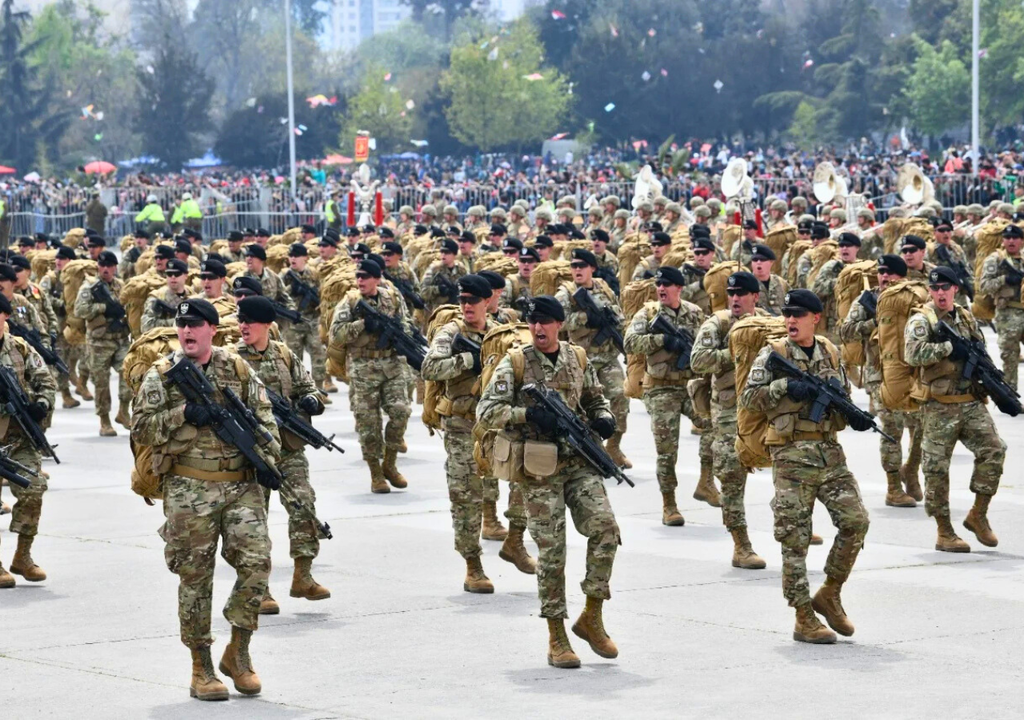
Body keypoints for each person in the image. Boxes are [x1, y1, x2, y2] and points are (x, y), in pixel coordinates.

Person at [131, 299, 279, 701]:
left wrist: (268, 457)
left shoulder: (237, 368)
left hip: (240, 485)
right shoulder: (161, 375)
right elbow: (142, 428)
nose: (187, 331)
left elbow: (264, 417)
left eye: (196, 325)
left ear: (213, 329)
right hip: (188, 489)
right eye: (182, 325)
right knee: (195, 578)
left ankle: (239, 652)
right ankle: (201, 666)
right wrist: (183, 414)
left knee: (257, 565)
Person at [477, 295, 620, 670]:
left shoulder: (578, 358)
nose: (539, 328)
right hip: (539, 468)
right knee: (552, 551)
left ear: (560, 325)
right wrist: (528, 414)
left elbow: (595, 398)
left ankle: (592, 615)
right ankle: (556, 635)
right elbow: (487, 410)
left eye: (546, 322)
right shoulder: (516, 362)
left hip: (579, 461)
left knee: (606, 530)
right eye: (533, 322)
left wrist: (603, 418)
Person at [740, 288, 870, 644]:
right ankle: (803, 616)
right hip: (791, 455)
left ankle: (830, 591)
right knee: (794, 538)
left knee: (856, 521)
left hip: (829, 453)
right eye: (787, 314)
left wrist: (853, 414)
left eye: (799, 314)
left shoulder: (829, 350)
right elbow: (748, 398)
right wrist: (785, 386)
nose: (791, 320)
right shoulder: (773, 354)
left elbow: (842, 394)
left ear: (816, 317)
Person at [234, 295, 330, 615]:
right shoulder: (232, 359)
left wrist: (312, 401)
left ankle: (302, 576)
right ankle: (259, 588)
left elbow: (307, 388)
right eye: (241, 320)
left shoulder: (284, 355)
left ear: (266, 325)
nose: (243, 326)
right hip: (251, 450)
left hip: (287, 447)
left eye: (250, 321)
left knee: (304, 504)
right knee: (254, 520)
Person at [904, 267, 1006, 553]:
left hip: (970, 401)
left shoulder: (964, 315)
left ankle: (978, 513)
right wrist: (948, 347)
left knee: (994, 450)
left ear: (955, 290)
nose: (940, 293)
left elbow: (980, 348)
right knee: (936, 469)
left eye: (945, 288)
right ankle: (944, 531)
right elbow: (911, 354)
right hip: (939, 407)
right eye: (935, 289)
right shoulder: (921, 320)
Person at [421, 275, 505, 593]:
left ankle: (509, 535)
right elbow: (429, 367)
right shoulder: (451, 331)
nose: (467, 306)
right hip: (459, 426)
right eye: (463, 300)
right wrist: (467, 361)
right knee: (465, 496)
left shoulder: (500, 333)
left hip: (495, 424)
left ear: (488, 301)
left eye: (473, 301)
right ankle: (473, 565)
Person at [691, 272, 770, 568]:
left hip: (762, 408)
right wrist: (735, 353)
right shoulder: (718, 323)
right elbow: (698, 360)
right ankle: (741, 545)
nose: (735, 298)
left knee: (790, 466)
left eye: (741, 293)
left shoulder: (766, 323)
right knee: (732, 478)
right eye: (731, 293)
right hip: (727, 413)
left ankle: (795, 521)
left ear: (755, 297)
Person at [623, 266, 711, 525]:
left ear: (679, 288)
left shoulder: (694, 313)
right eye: (659, 285)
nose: (661, 289)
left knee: (715, 427)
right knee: (666, 450)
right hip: (660, 388)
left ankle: (706, 481)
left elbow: (705, 343)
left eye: (667, 285)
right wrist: (661, 340)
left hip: (689, 386)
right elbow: (629, 342)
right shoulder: (648, 314)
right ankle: (669, 504)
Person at [838, 254, 920, 507]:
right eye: (881, 272)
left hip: (911, 372)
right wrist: (877, 321)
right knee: (892, 429)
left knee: (921, 426)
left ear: (902, 276)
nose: (884, 276)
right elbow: (846, 330)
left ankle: (912, 469)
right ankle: (893, 487)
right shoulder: (868, 299)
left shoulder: (913, 297)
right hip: (879, 374)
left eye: (890, 272)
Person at [329, 259, 412, 493]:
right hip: (363, 367)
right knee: (368, 423)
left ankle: (390, 463)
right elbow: (336, 334)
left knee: (400, 412)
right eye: (358, 276)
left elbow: (406, 325)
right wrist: (363, 324)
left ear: (377, 278)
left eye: (366, 277)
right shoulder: (350, 303)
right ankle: (376, 473)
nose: (360, 280)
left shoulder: (393, 298)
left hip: (391, 364)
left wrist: (397, 332)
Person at [0, 293, 57, 590]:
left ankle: (22, 555)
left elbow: (46, 381)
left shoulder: (20, 348)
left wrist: (42, 405)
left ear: (5, 317)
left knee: (34, 488)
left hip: (18, 438)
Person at [555, 249, 631, 468]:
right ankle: (586, 449)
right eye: (574, 266)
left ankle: (613, 446)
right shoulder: (566, 293)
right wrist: (586, 318)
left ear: (592, 269)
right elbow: (559, 321)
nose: (577, 270)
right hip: (578, 360)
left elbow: (619, 314)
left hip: (607, 358)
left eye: (582, 266)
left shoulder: (603, 288)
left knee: (620, 397)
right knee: (578, 405)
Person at [74, 250, 132, 436]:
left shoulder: (121, 286)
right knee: (101, 383)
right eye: (102, 266)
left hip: (120, 339)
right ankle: (104, 421)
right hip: (98, 343)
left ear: (115, 267)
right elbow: (80, 310)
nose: (105, 269)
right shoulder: (89, 287)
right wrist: (105, 308)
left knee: (129, 373)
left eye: (109, 266)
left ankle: (123, 411)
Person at [978, 224, 1024, 390]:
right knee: (1009, 356)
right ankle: (1012, 395)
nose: (1011, 241)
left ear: (1021, 240)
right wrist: (1004, 279)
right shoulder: (995, 259)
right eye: (1007, 238)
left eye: (1015, 238)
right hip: (1008, 313)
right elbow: (984, 285)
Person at [280, 243, 328, 398]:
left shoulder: (314, 274)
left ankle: (319, 389)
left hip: (312, 321)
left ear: (305, 258)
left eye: (297, 256)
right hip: (293, 324)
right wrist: (291, 290)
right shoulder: (284, 276)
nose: (293, 259)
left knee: (319, 354)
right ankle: (296, 391)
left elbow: (323, 294)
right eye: (291, 256)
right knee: (294, 358)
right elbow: (278, 296)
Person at [41, 246, 84, 407]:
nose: (58, 261)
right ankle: (66, 395)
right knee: (61, 361)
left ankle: (78, 379)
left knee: (82, 356)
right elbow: (42, 297)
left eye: (63, 259)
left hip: (75, 325)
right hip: (59, 327)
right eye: (57, 259)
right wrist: (62, 304)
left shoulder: (77, 278)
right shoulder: (51, 278)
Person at [811, 232, 861, 342]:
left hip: (856, 321)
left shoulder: (862, 267)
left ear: (857, 248)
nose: (844, 249)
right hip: (834, 323)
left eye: (848, 246)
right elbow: (816, 289)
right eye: (841, 246)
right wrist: (841, 282)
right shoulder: (831, 267)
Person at [421, 239, 469, 317]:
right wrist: (438, 289)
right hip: (437, 312)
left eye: (447, 253)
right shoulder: (434, 269)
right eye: (442, 252)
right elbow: (423, 292)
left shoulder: (461, 269)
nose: (443, 255)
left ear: (454, 254)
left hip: (457, 311)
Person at [141, 259, 190, 333]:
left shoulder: (192, 296)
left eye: (177, 274)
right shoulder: (156, 297)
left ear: (186, 276)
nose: (173, 277)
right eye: (169, 274)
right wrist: (177, 322)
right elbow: (146, 327)